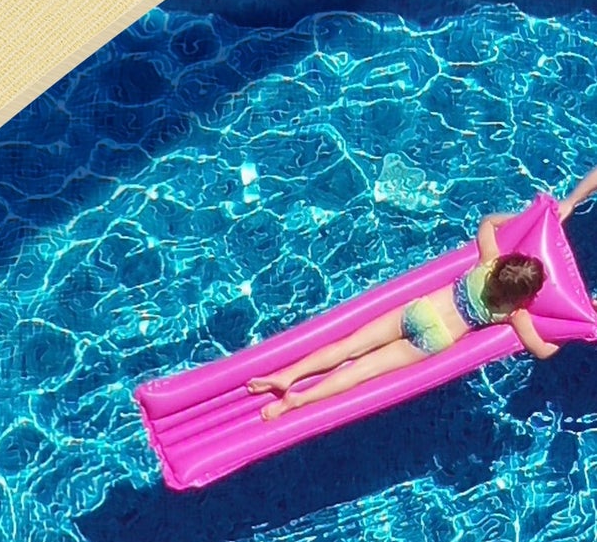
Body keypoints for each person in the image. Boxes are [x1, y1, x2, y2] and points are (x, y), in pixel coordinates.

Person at [248, 166, 597, 421]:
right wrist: (575, 327)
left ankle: (288, 375)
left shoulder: (488, 263)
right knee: (361, 372)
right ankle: (295, 402)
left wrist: (523, 218)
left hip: (420, 310)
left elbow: (489, 222)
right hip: (436, 339)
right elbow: (543, 350)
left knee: (348, 347)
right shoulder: (514, 313)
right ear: (526, 295)